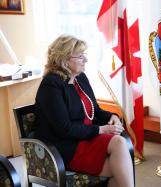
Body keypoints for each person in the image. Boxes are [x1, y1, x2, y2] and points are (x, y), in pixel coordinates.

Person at [35, 35, 134, 187]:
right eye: (80, 56)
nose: (85, 60)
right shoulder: (51, 85)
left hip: (86, 137)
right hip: (65, 146)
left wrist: (113, 116)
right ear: (64, 59)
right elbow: (64, 129)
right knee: (120, 162)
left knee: (119, 155)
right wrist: (100, 129)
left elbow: (95, 111)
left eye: (84, 55)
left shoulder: (80, 78)